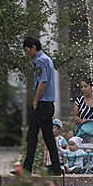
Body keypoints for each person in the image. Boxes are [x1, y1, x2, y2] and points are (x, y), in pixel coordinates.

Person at [13, 36, 62, 176]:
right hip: (47, 104)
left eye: (26, 50)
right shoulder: (46, 59)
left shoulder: (40, 60)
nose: (26, 53)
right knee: (45, 136)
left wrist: (35, 101)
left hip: (42, 104)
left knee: (33, 135)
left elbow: (42, 82)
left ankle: (28, 168)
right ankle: (55, 168)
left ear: (33, 47)